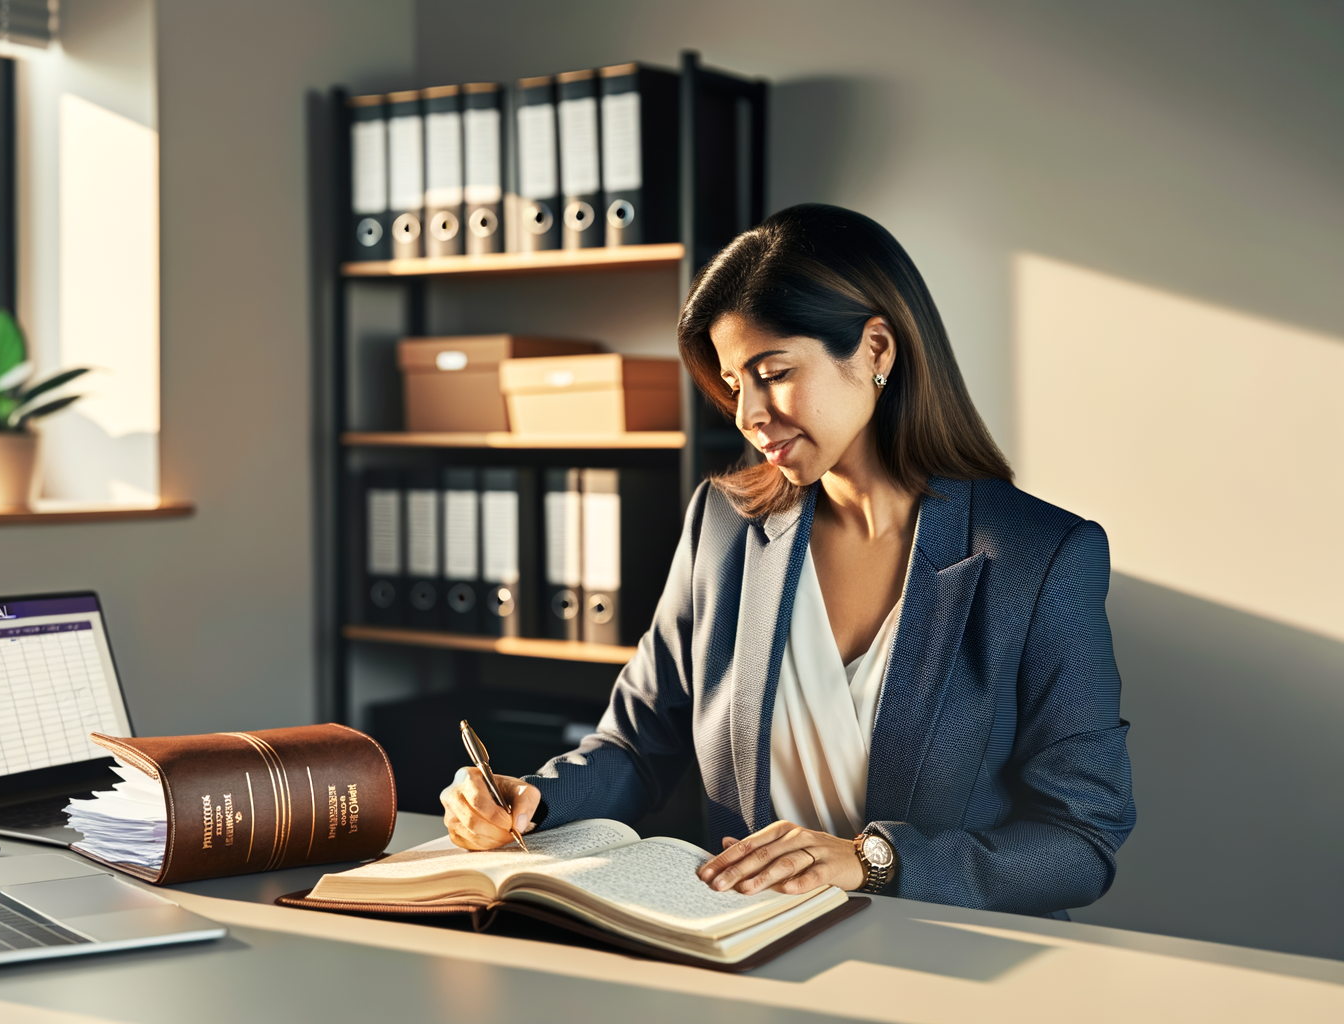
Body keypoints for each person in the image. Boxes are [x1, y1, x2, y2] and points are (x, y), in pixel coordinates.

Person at [440, 204, 1135, 916]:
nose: (747, 415)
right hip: (749, 942)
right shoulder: (723, 526)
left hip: (941, 957)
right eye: (734, 385)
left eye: (772, 373)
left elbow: (1081, 838)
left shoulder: (1040, 556)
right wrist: (534, 800)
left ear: (876, 350)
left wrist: (869, 861)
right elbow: (638, 745)